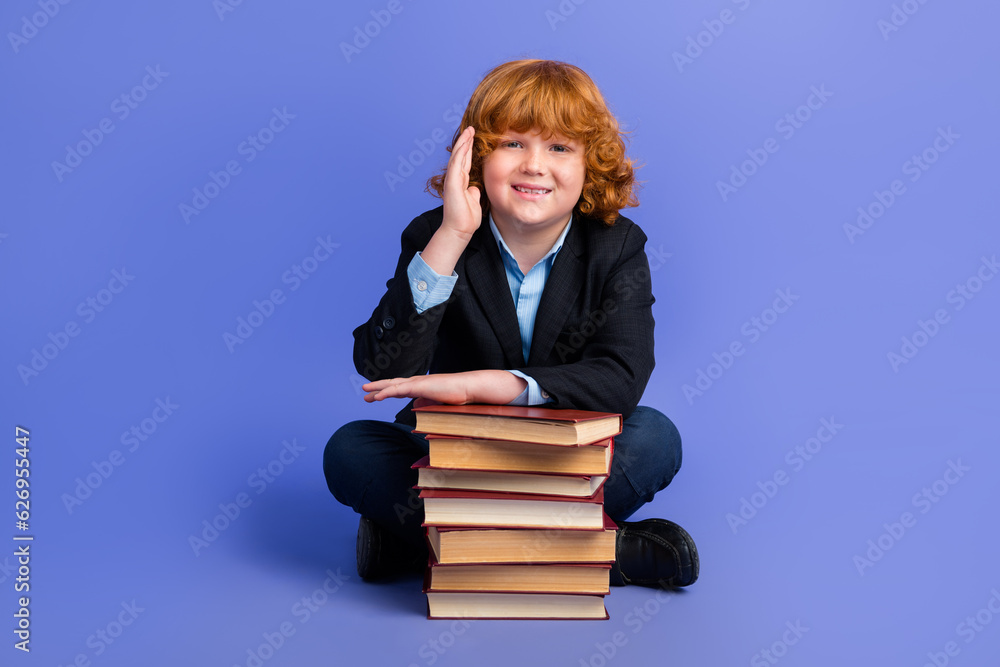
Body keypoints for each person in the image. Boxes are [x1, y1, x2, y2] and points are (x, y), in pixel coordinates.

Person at [324, 59, 698, 588]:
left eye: (560, 148)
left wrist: (494, 385)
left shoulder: (617, 245)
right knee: (351, 449)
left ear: (591, 163)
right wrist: (452, 237)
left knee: (656, 436)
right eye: (513, 143)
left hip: (567, 460)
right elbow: (385, 364)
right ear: (476, 156)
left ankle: (427, 544)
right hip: (456, 460)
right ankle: (607, 551)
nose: (534, 165)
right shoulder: (434, 236)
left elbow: (621, 376)